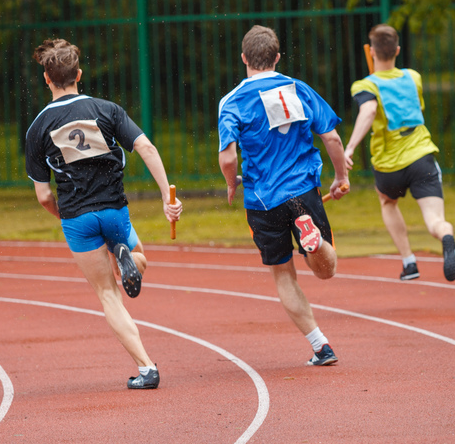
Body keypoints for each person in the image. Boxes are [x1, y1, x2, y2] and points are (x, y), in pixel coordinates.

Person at [25, 38, 183, 389]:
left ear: (47, 79)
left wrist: (63, 216)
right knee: (139, 258)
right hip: (114, 209)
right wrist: (165, 195)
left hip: (77, 220)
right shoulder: (107, 109)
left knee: (108, 294)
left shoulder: (37, 128)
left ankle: (146, 368)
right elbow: (145, 146)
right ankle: (127, 256)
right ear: (79, 74)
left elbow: (43, 194)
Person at [218, 25, 350, 367]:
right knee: (325, 271)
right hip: (303, 190)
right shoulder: (299, 89)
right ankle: (314, 240)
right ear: (277, 58)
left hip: (262, 200)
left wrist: (232, 183)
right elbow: (332, 139)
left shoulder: (232, 101)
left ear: (244, 58)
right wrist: (341, 176)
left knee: (283, 275)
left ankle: (320, 346)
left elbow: (229, 156)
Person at [343, 24, 455, 282]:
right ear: (397, 50)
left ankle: (409, 262)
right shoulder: (413, 77)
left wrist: (349, 147)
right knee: (435, 221)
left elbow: (369, 111)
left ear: (372, 51)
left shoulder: (365, 85)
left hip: (389, 166)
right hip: (421, 157)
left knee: (387, 201)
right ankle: (446, 234)